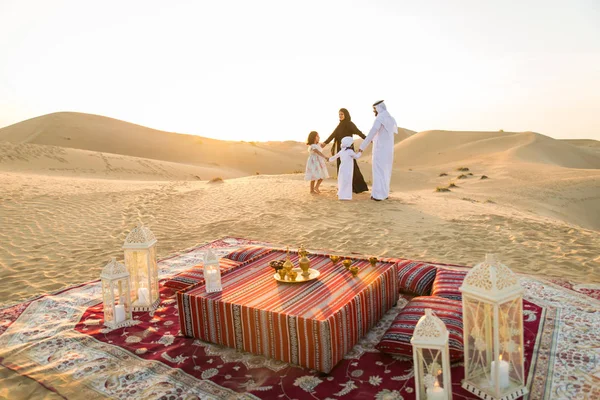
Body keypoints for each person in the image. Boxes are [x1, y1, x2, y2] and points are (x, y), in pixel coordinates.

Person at [321, 108, 369, 193]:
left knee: (352, 166)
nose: (340, 116)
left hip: (349, 148)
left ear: (346, 114)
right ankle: (343, 186)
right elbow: (333, 134)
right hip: (340, 149)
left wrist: (367, 139)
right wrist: (325, 143)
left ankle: (358, 187)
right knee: (341, 167)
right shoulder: (340, 125)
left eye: (342, 114)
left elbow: (359, 132)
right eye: (339, 114)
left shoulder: (350, 124)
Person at [358, 100, 398, 201]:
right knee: (385, 172)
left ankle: (378, 195)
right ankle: (384, 194)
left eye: (374, 109)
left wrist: (362, 147)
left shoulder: (380, 118)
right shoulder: (391, 119)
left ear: (378, 108)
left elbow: (372, 133)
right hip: (388, 151)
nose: (374, 112)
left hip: (380, 150)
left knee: (378, 171)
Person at [329, 136, 362, 200]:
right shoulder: (350, 151)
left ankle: (341, 194)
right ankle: (345, 195)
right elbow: (356, 157)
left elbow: (334, 157)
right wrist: (360, 152)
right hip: (348, 169)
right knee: (347, 181)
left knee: (342, 180)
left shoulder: (342, 151)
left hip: (342, 168)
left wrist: (329, 159)